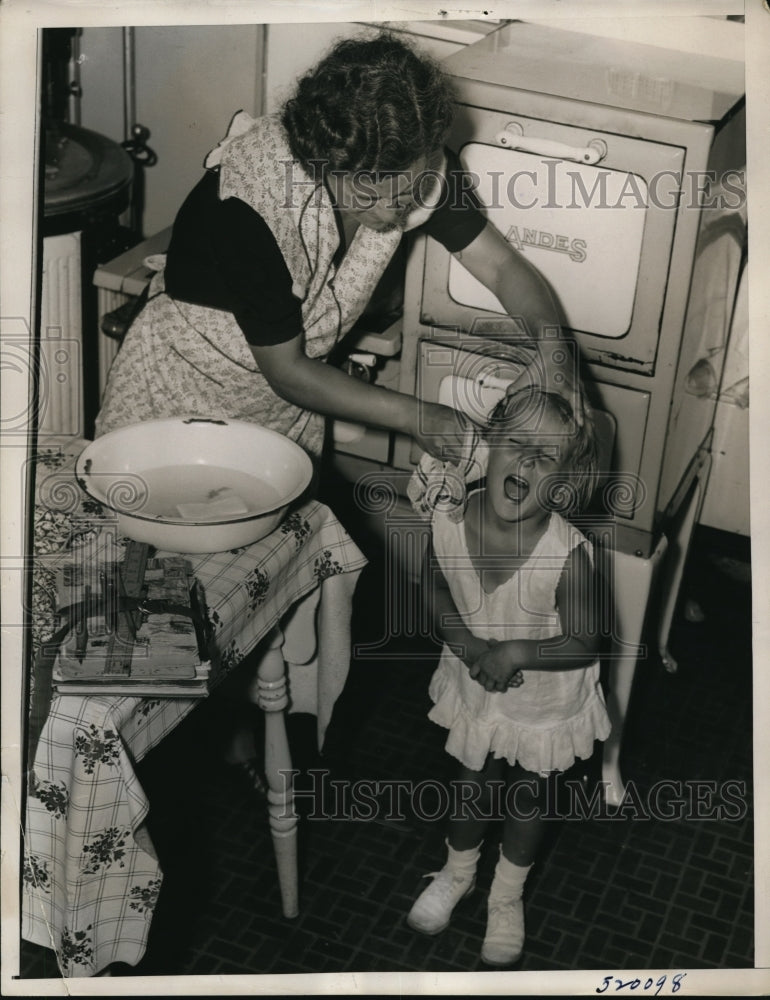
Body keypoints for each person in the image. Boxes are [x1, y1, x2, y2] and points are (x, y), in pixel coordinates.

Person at [95, 31, 579, 458]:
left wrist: (555, 356)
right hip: (177, 391)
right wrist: (417, 416)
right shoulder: (248, 206)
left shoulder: (417, 162)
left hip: (286, 409)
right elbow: (287, 371)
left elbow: (498, 267)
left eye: (408, 191)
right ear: (321, 163)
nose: (393, 212)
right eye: (369, 194)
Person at [406, 385, 611, 966]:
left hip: (542, 697)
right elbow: (437, 584)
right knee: (473, 773)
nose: (525, 461)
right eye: (516, 443)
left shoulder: (568, 557)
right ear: (486, 447)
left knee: (529, 792)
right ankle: (458, 871)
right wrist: (463, 638)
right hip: (474, 676)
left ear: (564, 484)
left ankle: (506, 895)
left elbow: (585, 640)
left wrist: (517, 653)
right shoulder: (448, 517)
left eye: (546, 457)